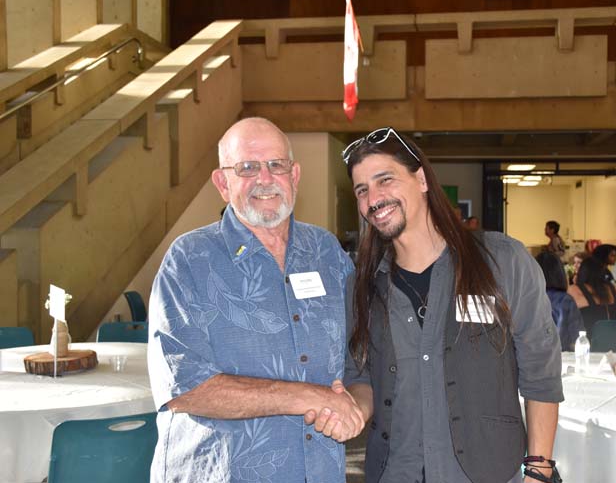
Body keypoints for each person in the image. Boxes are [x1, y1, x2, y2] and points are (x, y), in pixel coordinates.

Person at [333, 127, 563, 483]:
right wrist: (354, 408)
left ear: (421, 179)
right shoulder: (360, 286)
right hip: (395, 471)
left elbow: (541, 370)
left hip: (488, 472)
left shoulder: (502, 261)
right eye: (362, 190)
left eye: (385, 180)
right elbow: (359, 374)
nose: (373, 198)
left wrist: (539, 469)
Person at [147, 118, 366, 483]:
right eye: (247, 167)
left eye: (276, 165)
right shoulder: (189, 260)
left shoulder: (326, 252)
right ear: (222, 182)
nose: (265, 179)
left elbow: (360, 360)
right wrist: (311, 398)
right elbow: (186, 386)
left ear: (294, 175)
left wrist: (353, 410)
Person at [536, 251, 584, 351]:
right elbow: (577, 337)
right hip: (560, 357)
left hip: (530, 359)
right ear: (560, 273)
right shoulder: (566, 300)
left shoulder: (525, 300)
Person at [567, 257, 616, 336]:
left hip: (587, 342)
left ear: (581, 272)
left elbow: (566, 318)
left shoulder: (574, 290)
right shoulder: (611, 288)